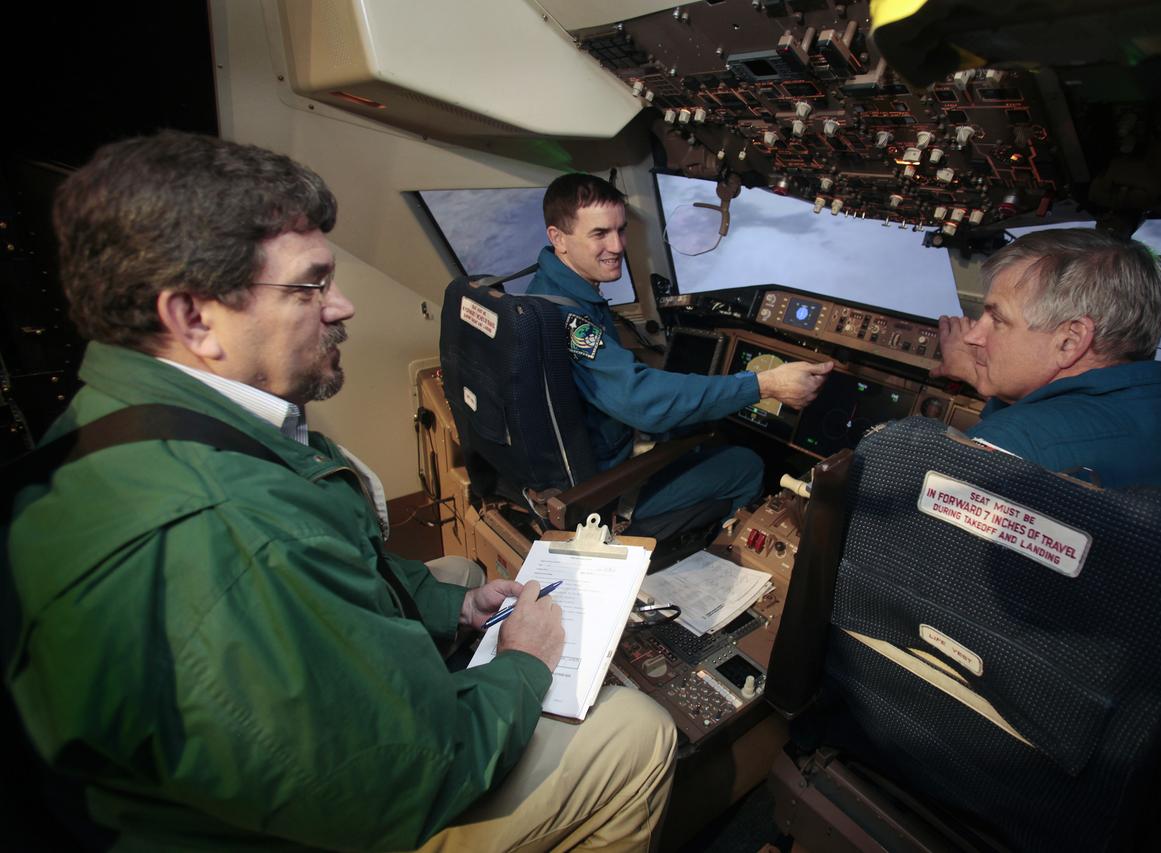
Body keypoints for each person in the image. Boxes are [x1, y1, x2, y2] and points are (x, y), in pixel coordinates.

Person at [2, 131, 676, 851]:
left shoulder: (120, 415)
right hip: (349, 813)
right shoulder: (231, 535)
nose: (343, 305)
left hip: (208, 763)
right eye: (310, 284)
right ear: (192, 316)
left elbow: (336, 560)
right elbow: (408, 778)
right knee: (637, 732)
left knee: (457, 573)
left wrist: (454, 605)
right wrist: (523, 663)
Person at [528, 173, 833, 519]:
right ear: (559, 238)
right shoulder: (567, 318)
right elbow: (638, 400)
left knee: (693, 432)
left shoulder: (546, 292)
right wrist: (766, 384)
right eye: (600, 233)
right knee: (745, 465)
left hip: (585, 457)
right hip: (601, 489)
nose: (617, 246)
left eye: (621, 229)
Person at [930, 228, 1161, 509]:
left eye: (997, 320)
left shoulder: (1008, 447)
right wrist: (979, 374)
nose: (972, 336)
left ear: (1069, 341)